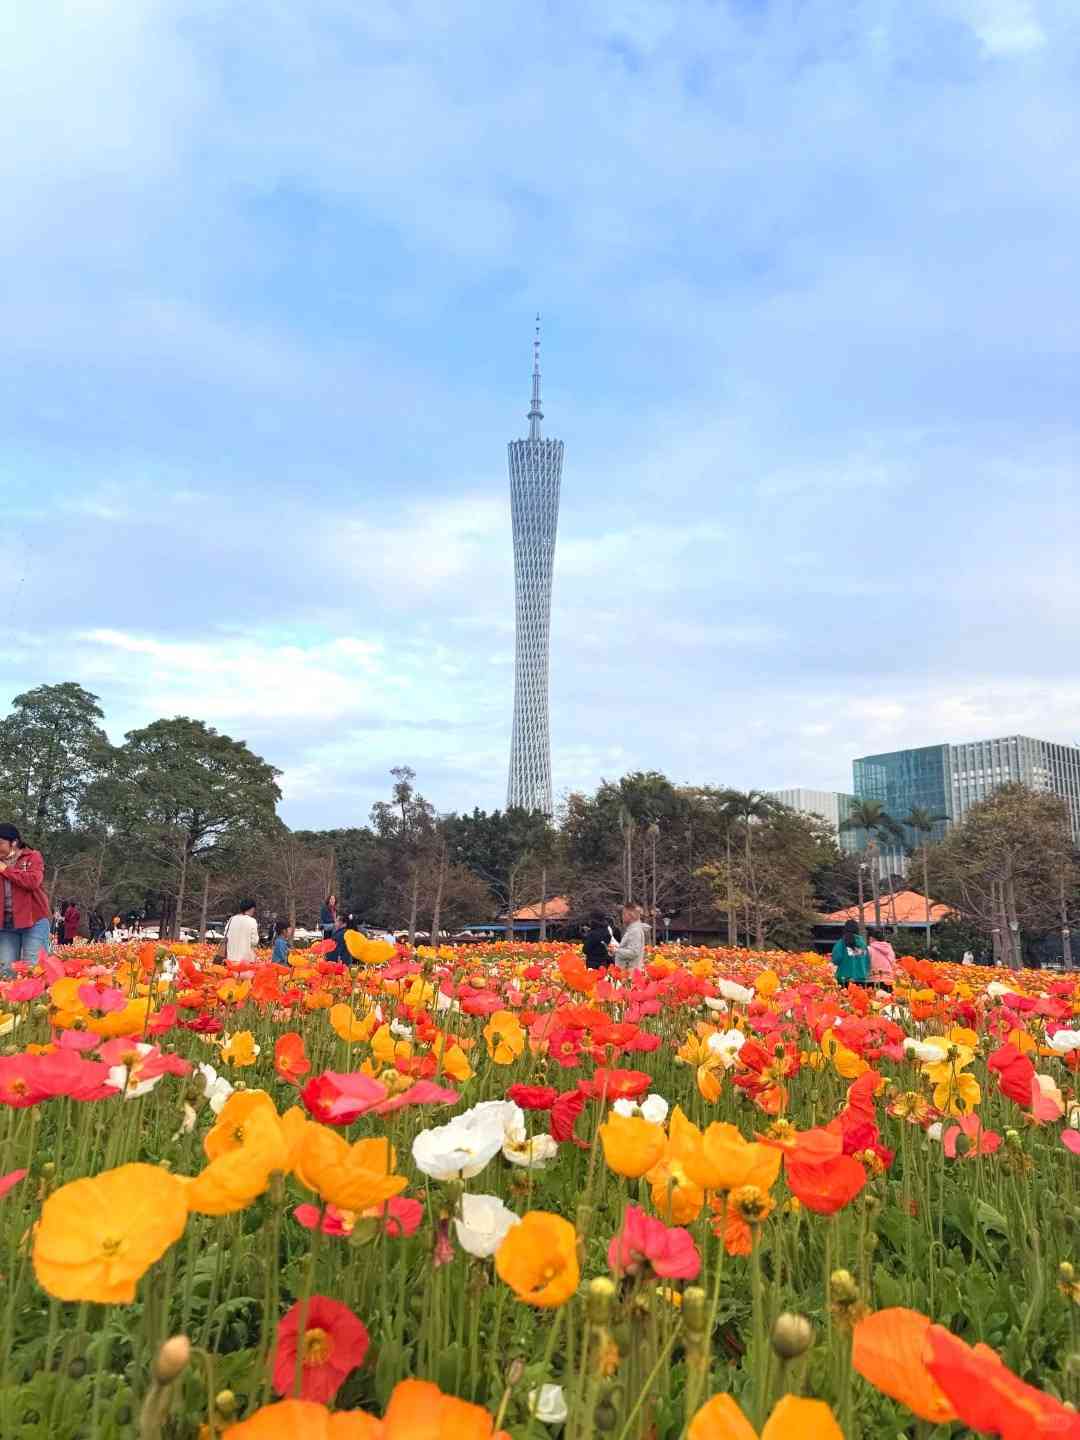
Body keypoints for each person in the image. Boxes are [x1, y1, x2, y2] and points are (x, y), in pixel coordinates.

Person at [0, 824, 52, 973]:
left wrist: (6, 870)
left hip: (34, 922)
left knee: (34, 968)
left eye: (0, 843)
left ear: (14, 842)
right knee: (6, 970)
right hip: (6, 924)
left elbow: (33, 882)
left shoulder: (32, 856)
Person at [831, 920, 869, 987]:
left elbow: (836, 960)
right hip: (861, 978)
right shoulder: (863, 944)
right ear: (857, 929)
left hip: (844, 978)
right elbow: (867, 961)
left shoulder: (841, 943)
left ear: (845, 929)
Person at [609, 903, 646, 972]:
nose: (622, 917)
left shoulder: (634, 931)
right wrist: (616, 949)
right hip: (628, 971)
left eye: (624, 914)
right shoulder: (633, 929)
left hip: (629, 973)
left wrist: (616, 950)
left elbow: (634, 952)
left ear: (631, 915)